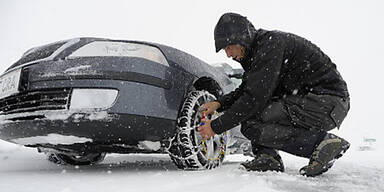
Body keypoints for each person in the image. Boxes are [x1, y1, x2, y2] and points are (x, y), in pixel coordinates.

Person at [197, 12, 350, 177]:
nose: (227, 54)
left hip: (327, 102)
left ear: (242, 38)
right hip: (317, 102)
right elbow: (247, 90)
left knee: (253, 117)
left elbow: (253, 99)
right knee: (253, 119)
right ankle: (268, 157)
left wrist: (215, 127)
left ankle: (322, 144)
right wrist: (220, 103)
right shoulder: (259, 52)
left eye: (228, 47)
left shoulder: (270, 47)